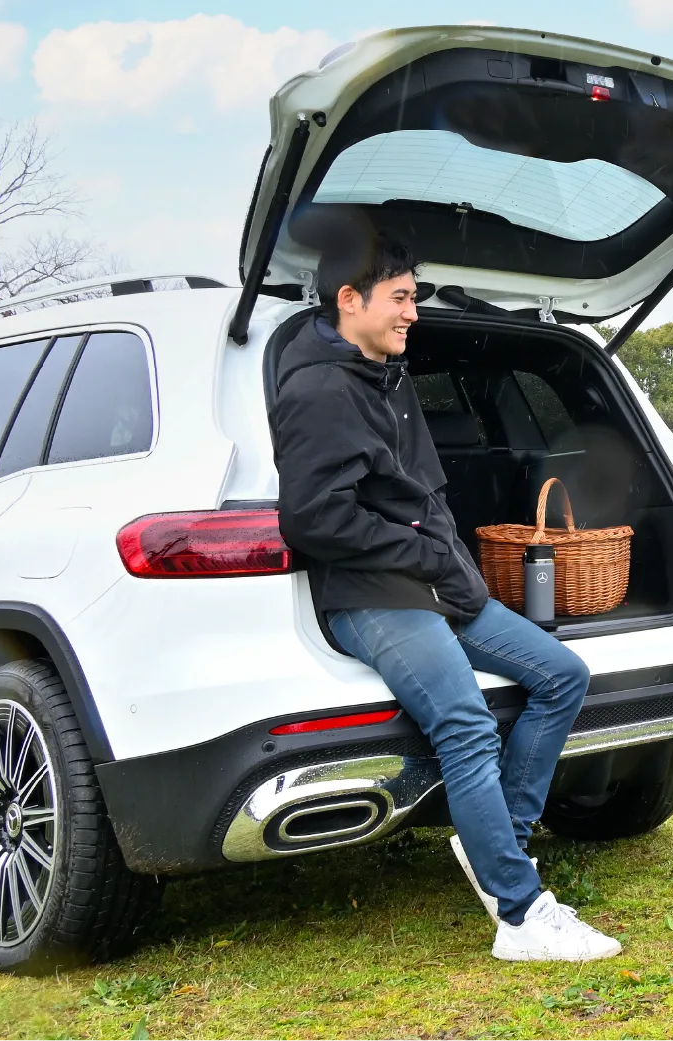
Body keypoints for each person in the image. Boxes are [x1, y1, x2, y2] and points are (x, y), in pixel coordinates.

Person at [270, 233, 621, 962]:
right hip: (376, 596)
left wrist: (447, 561)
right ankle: (521, 917)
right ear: (349, 300)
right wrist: (424, 552)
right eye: (400, 297)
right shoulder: (318, 390)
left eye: (413, 297)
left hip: (440, 585)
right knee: (465, 726)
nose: (413, 314)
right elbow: (313, 520)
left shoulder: (383, 372)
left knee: (563, 675)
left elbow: (418, 493)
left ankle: (502, 852)